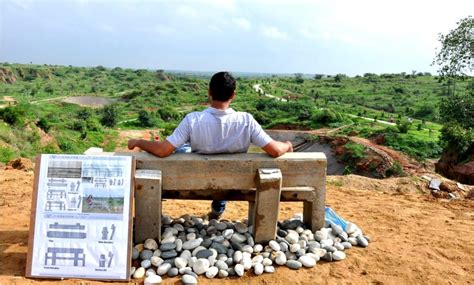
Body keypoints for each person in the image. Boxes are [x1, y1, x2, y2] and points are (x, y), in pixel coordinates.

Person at [128, 71, 293, 219]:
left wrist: (138, 141)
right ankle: (218, 209)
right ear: (233, 95)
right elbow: (276, 150)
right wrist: (287, 144)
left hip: (196, 181)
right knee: (223, 165)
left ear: (209, 93)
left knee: (183, 149)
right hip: (234, 183)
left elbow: (163, 151)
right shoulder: (246, 121)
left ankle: (216, 205)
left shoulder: (193, 119)